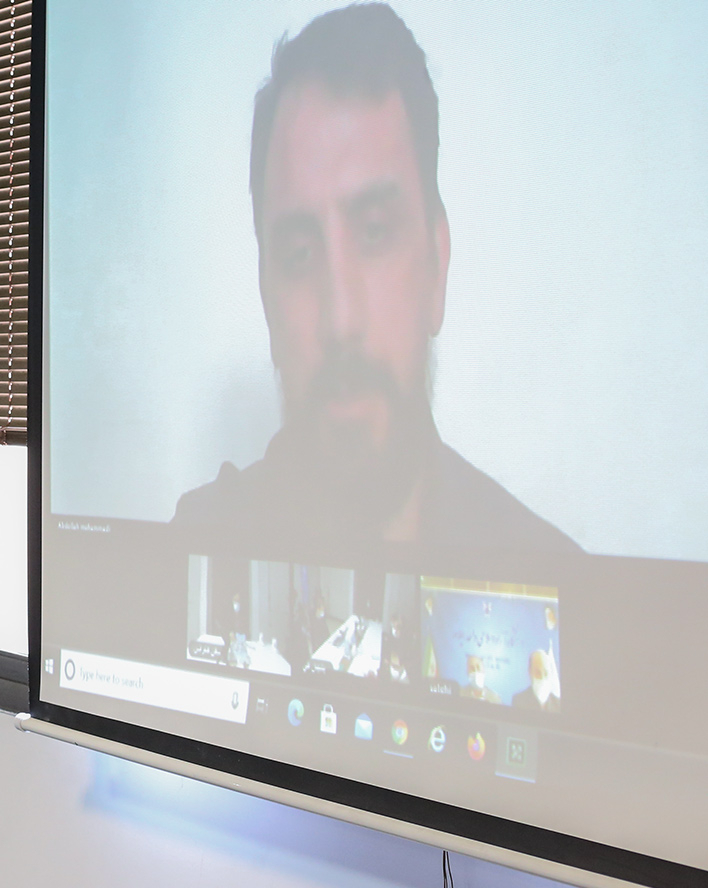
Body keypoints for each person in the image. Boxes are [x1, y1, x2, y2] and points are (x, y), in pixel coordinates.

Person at [172, 3, 579, 561]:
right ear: (267, 299)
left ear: (436, 266)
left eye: (375, 233)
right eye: (298, 255)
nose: (341, 319)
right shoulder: (194, 549)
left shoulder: (550, 573)